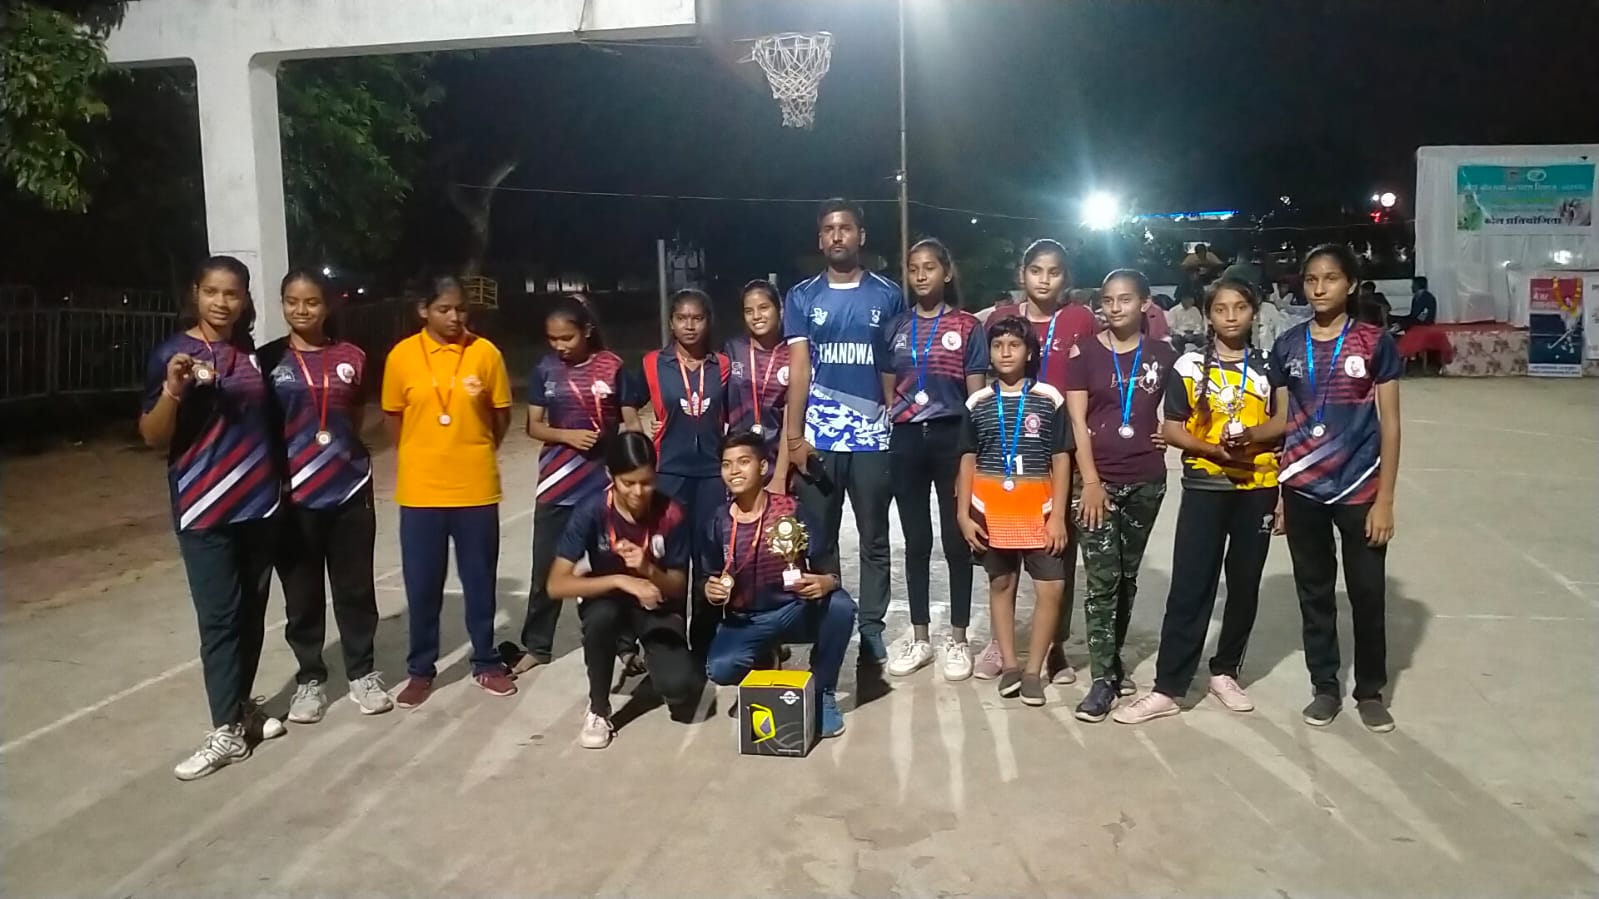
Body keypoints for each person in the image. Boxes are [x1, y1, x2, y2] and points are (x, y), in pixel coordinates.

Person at [140, 256, 286, 780]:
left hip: (259, 508)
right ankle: (225, 730)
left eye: (232, 293)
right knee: (220, 620)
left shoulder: (251, 356)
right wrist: (172, 391)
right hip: (204, 509)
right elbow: (154, 437)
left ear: (245, 300)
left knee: (250, 615)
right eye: (211, 292)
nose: (221, 302)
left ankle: (241, 708)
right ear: (195, 294)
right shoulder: (172, 353)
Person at [1114, 278, 1280, 725]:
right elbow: (1171, 428)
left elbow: (1285, 421)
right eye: (1221, 309)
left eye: (1240, 307)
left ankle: (1225, 671)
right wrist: (1214, 451)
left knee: (1244, 584)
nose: (1231, 316)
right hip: (1206, 487)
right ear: (1208, 316)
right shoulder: (1188, 365)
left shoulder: (1269, 365)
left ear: (1254, 311)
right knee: (1191, 586)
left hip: (1258, 488)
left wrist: (1256, 443)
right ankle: (1169, 687)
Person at [1271, 244, 1402, 732]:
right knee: (1315, 593)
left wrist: (1385, 499)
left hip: (1360, 488)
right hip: (1303, 489)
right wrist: (1280, 492)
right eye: (1311, 279)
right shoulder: (1287, 345)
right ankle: (1325, 686)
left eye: (1330, 278)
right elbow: (1283, 423)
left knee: (1367, 593)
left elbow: (1391, 424)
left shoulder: (1374, 343)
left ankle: (1370, 690)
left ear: (1350, 284)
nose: (1319, 288)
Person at [260, 269, 390, 724]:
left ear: (328, 305)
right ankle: (310, 679)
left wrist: (336, 452)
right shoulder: (268, 359)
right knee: (302, 593)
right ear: (282, 304)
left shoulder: (352, 356)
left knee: (355, 589)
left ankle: (362, 673)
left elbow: (355, 414)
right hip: (292, 494)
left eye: (311, 301)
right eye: (292, 301)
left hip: (348, 487)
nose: (301, 310)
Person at [380, 276, 515, 708]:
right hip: (421, 493)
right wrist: (420, 454)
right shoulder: (402, 356)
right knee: (422, 586)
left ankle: (486, 662)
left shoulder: (485, 353)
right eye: (444, 309)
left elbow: (500, 416)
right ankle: (421, 670)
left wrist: (473, 449)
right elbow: (394, 417)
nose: (455, 317)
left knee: (479, 582)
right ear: (423, 310)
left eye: (461, 309)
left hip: (475, 490)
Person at [782, 198, 903, 666]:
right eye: (830, 229)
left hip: (872, 437)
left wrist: (894, 420)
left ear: (860, 236)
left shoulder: (888, 295)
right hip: (820, 438)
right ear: (820, 239)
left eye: (846, 228)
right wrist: (795, 437)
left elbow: (895, 366)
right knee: (819, 539)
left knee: (874, 538)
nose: (837, 236)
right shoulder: (802, 297)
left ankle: (871, 629)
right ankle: (829, 623)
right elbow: (799, 371)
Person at [974, 239, 1094, 685]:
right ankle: (999, 644)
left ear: (1066, 277)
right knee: (1001, 561)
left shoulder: (1080, 319)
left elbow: (1095, 377)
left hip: (1058, 449)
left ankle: (1056, 647)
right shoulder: (1002, 318)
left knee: (1057, 554)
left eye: (1054, 272)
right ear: (1021, 274)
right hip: (1006, 455)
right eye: (1036, 270)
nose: (1045, 280)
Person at [507, 295, 645, 675]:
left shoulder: (613, 367)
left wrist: (638, 465)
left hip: (602, 485)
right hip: (556, 484)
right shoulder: (545, 370)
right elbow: (534, 426)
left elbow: (632, 422)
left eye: (566, 337)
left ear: (586, 331)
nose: (560, 346)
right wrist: (567, 436)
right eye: (553, 339)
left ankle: (625, 646)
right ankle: (537, 645)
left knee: (612, 566)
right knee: (545, 570)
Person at [1065, 268, 1177, 723]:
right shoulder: (1084, 352)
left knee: (1127, 577)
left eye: (1125, 299)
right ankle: (1101, 681)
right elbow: (1077, 421)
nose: (1115, 307)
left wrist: (1173, 433)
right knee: (1101, 581)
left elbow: (1184, 409)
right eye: (1108, 300)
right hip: (1099, 483)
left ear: (1145, 303)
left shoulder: (1164, 355)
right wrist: (1091, 481)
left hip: (1147, 479)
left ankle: (1112, 662)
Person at [545, 432, 705, 749]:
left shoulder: (672, 513)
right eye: (628, 483)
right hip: (609, 602)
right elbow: (556, 584)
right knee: (600, 618)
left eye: (646, 482)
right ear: (610, 476)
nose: (638, 492)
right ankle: (598, 708)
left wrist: (648, 569)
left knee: (681, 690)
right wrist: (620, 580)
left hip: (654, 605)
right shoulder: (592, 510)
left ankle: (643, 653)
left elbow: (677, 585)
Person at [701, 431, 856, 738]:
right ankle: (762, 671)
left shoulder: (792, 511)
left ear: (763, 467)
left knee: (841, 607)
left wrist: (827, 581)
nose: (734, 471)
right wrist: (709, 589)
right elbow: (709, 575)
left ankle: (822, 691)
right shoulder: (718, 521)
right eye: (727, 464)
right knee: (720, 668)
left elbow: (828, 566)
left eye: (743, 462)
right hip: (746, 620)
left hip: (794, 611)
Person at [882, 238, 989, 680]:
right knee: (916, 541)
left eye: (929, 267)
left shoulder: (967, 327)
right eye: (913, 268)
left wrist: (973, 450)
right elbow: (888, 388)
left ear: (947, 273)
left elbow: (976, 397)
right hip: (907, 439)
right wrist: (900, 418)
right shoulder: (895, 326)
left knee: (956, 540)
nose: (921, 274)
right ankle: (921, 636)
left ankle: (959, 638)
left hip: (952, 438)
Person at [956, 316, 1073, 705]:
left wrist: (1058, 516)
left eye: (1014, 345)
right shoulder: (977, 402)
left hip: (1040, 512)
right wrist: (963, 514)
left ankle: (1034, 670)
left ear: (1030, 352)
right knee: (1001, 584)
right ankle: (1009, 664)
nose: (1005, 352)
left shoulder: (1049, 398)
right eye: (998, 345)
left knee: (1051, 589)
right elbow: (967, 458)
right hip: (992, 512)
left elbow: (1061, 458)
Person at [643, 288, 731, 656]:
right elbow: (625, 401)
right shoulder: (653, 363)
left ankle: (706, 642)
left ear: (708, 322)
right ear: (671, 322)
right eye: (682, 318)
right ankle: (671, 643)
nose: (689, 326)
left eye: (697, 318)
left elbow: (733, 412)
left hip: (712, 475)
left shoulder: (722, 365)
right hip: (669, 474)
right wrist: (641, 432)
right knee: (670, 558)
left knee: (709, 559)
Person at [724, 280, 790, 484]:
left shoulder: (792, 352)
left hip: (778, 458)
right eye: (749, 311)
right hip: (739, 458)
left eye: (763, 308)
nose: (756, 316)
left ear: (779, 309)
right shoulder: (733, 349)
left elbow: (794, 416)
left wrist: (781, 475)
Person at [1165, 284, 1205, 354]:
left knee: (1204, 340)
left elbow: (1199, 325)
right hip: (1180, 334)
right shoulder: (1174, 310)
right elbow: (1173, 328)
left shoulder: (1195, 310)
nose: (1192, 301)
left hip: (1194, 333)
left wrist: (1194, 333)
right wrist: (1184, 334)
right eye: (1189, 299)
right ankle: (1179, 356)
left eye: (1192, 299)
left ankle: (1203, 356)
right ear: (1183, 299)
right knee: (1176, 340)